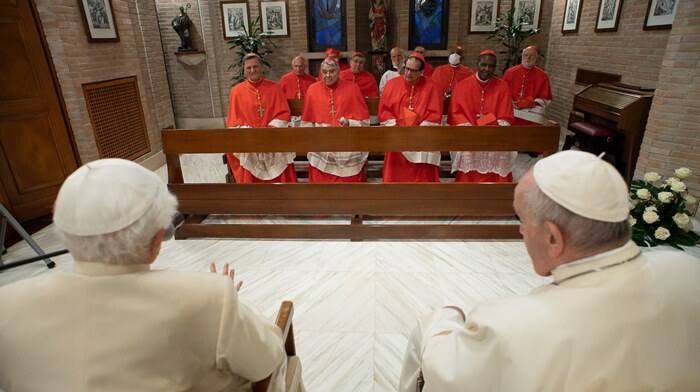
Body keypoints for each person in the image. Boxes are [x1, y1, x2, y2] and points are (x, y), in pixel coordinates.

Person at [398, 150, 700, 392]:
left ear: (553, 238)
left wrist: (440, 319)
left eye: (523, 220)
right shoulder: (689, 271)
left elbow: (447, 371)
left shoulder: (512, 328)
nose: (520, 231)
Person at [0, 159, 291, 391]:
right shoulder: (207, 296)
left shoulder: (7, 305)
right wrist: (221, 305)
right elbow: (267, 359)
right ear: (155, 241)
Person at [225, 53, 297, 183]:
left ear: (262, 67)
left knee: (281, 149)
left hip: (272, 136)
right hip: (249, 139)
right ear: (244, 70)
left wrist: (269, 131)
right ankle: (252, 193)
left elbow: (284, 114)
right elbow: (234, 122)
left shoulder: (275, 88)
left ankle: (282, 193)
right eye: (249, 68)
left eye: (256, 67)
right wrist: (251, 134)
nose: (253, 70)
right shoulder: (236, 91)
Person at [448, 49, 515, 182]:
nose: (487, 69)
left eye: (491, 66)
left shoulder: (502, 87)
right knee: (467, 149)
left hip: (494, 135)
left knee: (502, 150)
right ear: (477, 64)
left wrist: (493, 124)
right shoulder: (462, 86)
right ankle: (467, 185)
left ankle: (497, 187)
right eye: (483, 65)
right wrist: (470, 128)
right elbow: (456, 112)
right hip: (469, 134)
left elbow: (506, 115)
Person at [302, 58, 371, 182]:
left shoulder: (352, 88)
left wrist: (349, 122)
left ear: (339, 71)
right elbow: (307, 123)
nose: (328, 75)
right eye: (325, 72)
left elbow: (364, 122)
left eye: (332, 71)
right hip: (322, 143)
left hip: (346, 140)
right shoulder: (312, 90)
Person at [379, 52, 443, 182]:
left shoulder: (432, 87)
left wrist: (418, 131)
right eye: (407, 69)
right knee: (394, 149)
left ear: (421, 72)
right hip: (397, 134)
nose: (408, 73)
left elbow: (434, 114)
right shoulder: (392, 84)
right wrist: (396, 127)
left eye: (413, 71)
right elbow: (385, 110)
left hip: (422, 135)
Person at [503, 45, 552, 125]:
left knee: (538, 121)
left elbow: (545, 98)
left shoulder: (543, 75)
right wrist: (511, 102)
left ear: (536, 58)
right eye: (526, 55)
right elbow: (503, 92)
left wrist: (530, 103)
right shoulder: (510, 72)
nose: (528, 58)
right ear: (522, 56)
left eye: (531, 56)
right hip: (512, 108)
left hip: (531, 110)